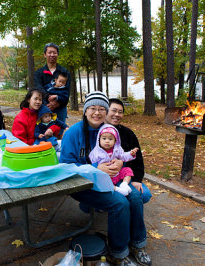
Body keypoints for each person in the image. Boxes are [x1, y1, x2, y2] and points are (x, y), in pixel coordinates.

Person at [60, 91, 152, 266]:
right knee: (119, 203)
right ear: (85, 110)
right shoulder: (73, 133)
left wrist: (118, 162)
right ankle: (118, 253)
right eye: (92, 108)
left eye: (102, 108)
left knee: (135, 196)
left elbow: (120, 155)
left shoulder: (110, 131)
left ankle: (138, 244)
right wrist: (94, 168)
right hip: (83, 185)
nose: (97, 112)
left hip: (111, 180)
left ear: (106, 111)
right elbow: (66, 168)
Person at [106, 98, 152, 204]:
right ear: (106, 110)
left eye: (120, 112)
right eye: (113, 110)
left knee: (144, 195)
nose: (117, 114)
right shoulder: (99, 132)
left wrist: (136, 179)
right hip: (105, 175)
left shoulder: (128, 133)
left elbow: (138, 159)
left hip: (125, 175)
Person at [89, 124, 139, 196]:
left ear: (115, 141)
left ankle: (124, 184)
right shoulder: (96, 152)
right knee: (100, 183)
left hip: (116, 174)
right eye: (104, 138)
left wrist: (131, 154)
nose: (107, 141)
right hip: (105, 176)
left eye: (110, 139)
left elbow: (123, 156)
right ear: (99, 139)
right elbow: (92, 163)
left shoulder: (117, 149)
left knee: (127, 170)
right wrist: (98, 168)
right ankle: (117, 189)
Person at [34, 43, 71, 123]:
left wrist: (57, 103)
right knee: (44, 132)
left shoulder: (64, 72)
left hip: (61, 108)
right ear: (45, 54)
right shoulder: (39, 73)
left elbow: (67, 91)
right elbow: (39, 89)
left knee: (59, 132)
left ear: (57, 54)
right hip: (44, 108)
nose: (52, 55)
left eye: (54, 52)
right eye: (49, 52)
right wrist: (50, 102)